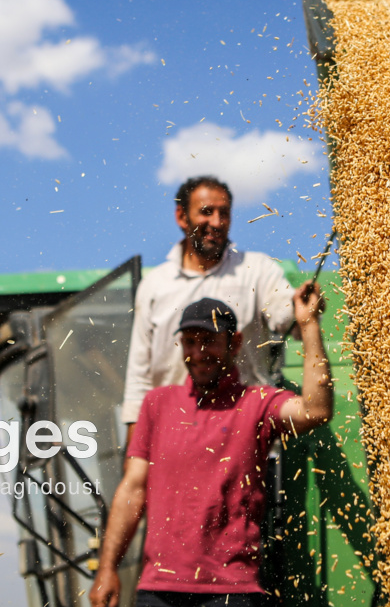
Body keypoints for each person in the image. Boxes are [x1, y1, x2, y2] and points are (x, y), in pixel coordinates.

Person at [90, 287, 332, 607]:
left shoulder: (257, 403)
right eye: (190, 341)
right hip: (156, 598)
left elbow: (316, 409)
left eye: (209, 341)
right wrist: (108, 568)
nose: (199, 352)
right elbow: (133, 489)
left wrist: (307, 325)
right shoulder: (156, 405)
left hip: (229, 601)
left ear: (234, 343)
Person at [121, 176, 296, 437]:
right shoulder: (155, 286)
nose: (216, 222)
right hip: (173, 437)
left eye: (223, 213)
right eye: (206, 212)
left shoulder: (256, 270)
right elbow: (139, 378)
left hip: (245, 435)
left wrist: (304, 308)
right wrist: (136, 459)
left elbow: (288, 318)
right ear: (182, 217)